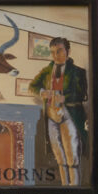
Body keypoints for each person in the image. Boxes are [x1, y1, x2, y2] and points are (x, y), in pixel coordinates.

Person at [28, 37, 88, 185]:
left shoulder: (78, 72)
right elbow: (32, 87)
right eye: (53, 52)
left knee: (72, 154)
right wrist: (42, 92)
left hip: (69, 115)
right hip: (51, 115)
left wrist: (64, 98)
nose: (56, 55)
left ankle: (74, 188)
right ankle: (65, 186)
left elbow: (82, 95)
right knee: (59, 155)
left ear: (68, 51)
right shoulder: (47, 70)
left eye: (59, 51)